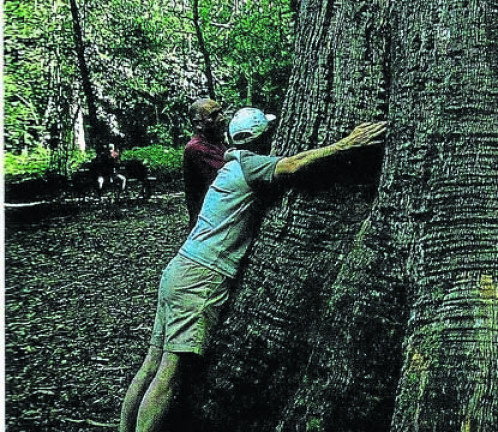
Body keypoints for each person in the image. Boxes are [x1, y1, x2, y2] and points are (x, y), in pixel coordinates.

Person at [119, 108, 387, 432]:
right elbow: (293, 165)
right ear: (262, 138)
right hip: (200, 278)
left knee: (151, 366)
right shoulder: (249, 166)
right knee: (169, 376)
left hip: (179, 269)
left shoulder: (231, 166)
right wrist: (347, 144)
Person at [183, 98, 228, 231]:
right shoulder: (196, 148)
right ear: (198, 124)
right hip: (208, 225)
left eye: (221, 112)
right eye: (214, 115)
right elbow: (229, 177)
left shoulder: (216, 143)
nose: (222, 118)